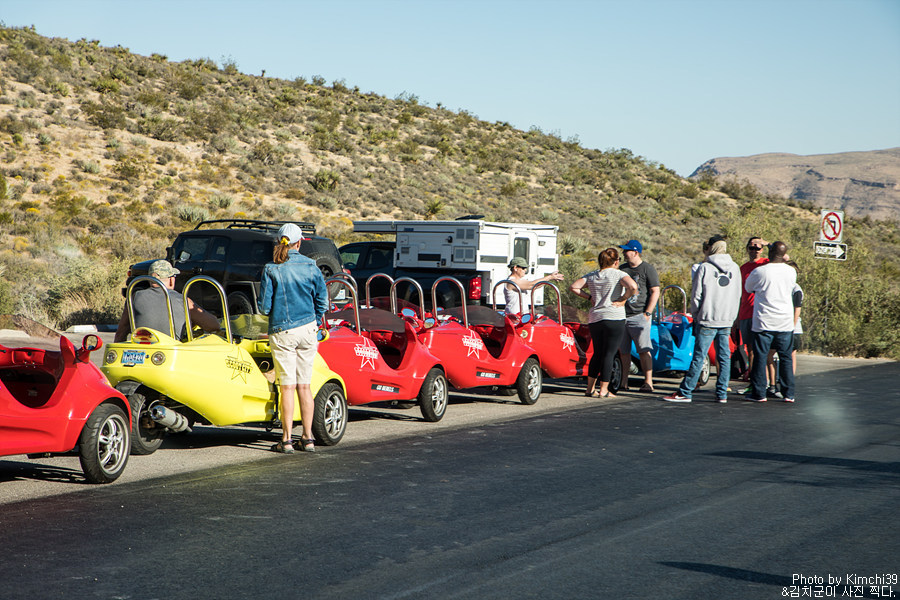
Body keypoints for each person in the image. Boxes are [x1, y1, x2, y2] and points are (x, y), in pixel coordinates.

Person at [258, 223, 329, 454]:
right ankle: (307, 438)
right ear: (300, 243)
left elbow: (264, 308)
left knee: (287, 387)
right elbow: (323, 302)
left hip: (282, 332)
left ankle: (286, 440)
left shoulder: (271, 268)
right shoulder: (311, 266)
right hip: (308, 330)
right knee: (304, 387)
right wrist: (314, 320)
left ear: (280, 242)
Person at [663, 235, 741, 403]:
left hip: (707, 319)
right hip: (726, 319)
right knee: (723, 357)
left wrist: (697, 316)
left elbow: (696, 296)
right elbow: (737, 295)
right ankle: (722, 394)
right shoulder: (735, 268)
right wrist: (733, 316)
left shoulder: (704, 268)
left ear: (712, 247)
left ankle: (685, 392)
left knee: (699, 356)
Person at [570, 248, 638, 398]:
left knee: (597, 353)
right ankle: (604, 389)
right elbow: (633, 287)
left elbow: (574, 287)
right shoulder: (619, 274)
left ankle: (589, 389)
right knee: (609, 354)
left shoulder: (592, 275)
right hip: (614, 316)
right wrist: (623, 299)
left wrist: (589, 298)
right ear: (616, 261)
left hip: (595, 318)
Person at [114, 259, 220, 343]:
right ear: (171, 279)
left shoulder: (134, 297)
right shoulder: (183, 301)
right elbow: (213, 325)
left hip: (141, 352)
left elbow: (121, 332)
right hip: (168, 355)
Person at [744, 241, 797, 403]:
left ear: (770, 253)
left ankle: (759, 393)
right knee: (785, 357)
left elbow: (748, 288)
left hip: (764, 321)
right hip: (785, 322)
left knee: (760, 357)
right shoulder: (791, 272)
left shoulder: (760, 271)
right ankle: (789, 393)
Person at [617, 239, 660, 393]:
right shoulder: (622, 269)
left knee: (643, 350)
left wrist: (648, 312)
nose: (624, 253)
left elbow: (655, 290)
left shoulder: (647, 269)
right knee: (624, 352)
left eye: (626, 251)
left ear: (635, 252)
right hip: (622, 315)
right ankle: (623, 382)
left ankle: (648, 382)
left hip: (639, 315)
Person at [737, 237, 769, 384]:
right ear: (747, 249)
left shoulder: (767, 264)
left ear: (762, 249)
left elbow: (786, 258)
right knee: (749, 348)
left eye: (758, 247)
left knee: (761, 349)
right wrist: (736, 317)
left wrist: (768, 243)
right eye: (751, 247)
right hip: (745, 312)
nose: (754, 250)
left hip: (761, 312)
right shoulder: (742, 268)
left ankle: (763, 381)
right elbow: (738, 293)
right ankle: (752, 380)